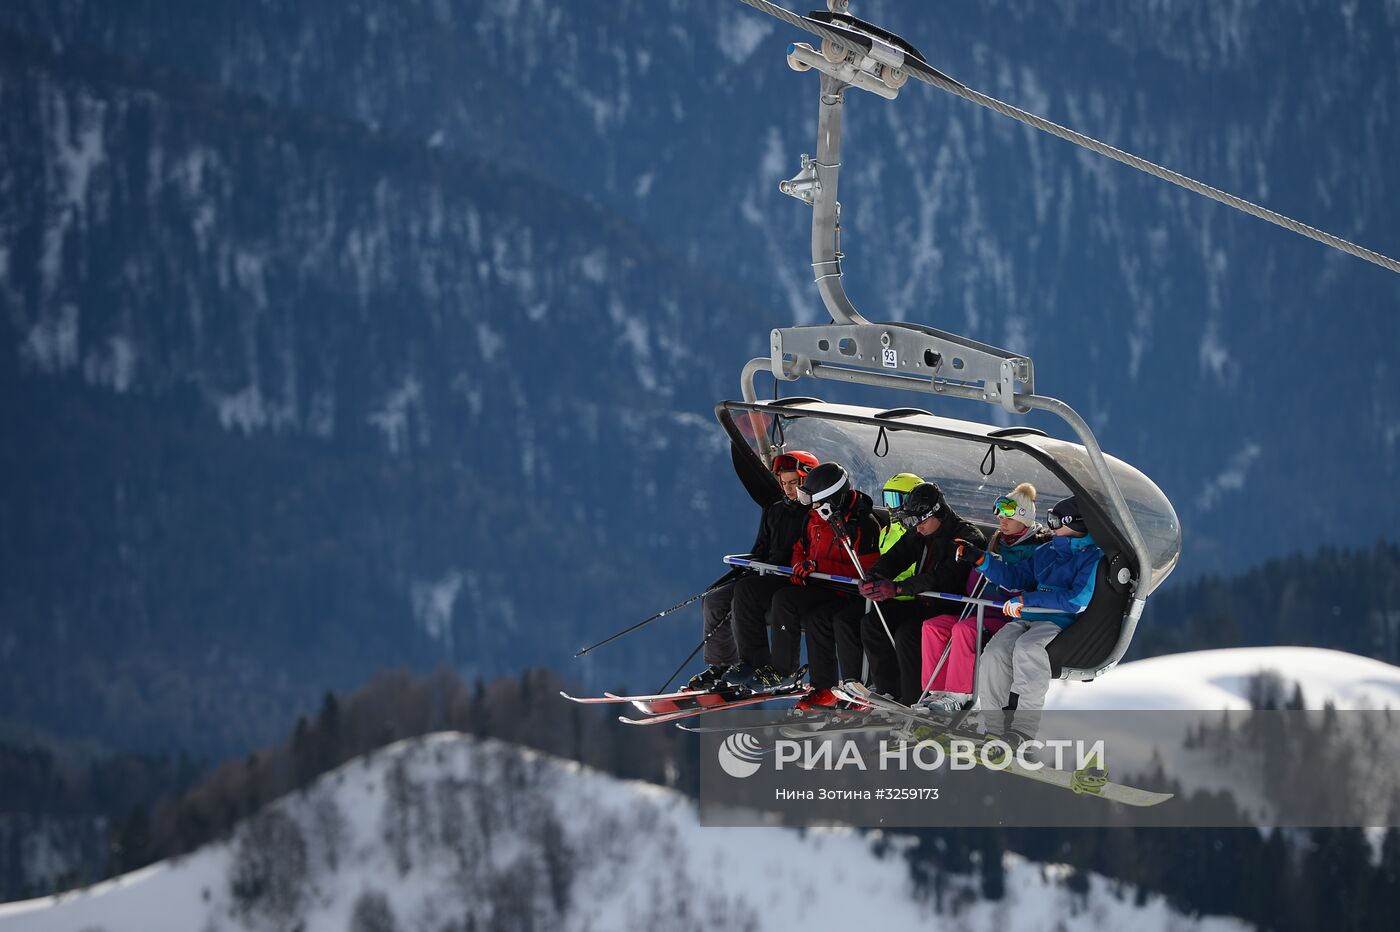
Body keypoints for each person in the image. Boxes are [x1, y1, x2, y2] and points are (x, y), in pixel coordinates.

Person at [956, 495, 1104, 743]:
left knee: (1028, 649)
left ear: (1076, 522)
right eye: (1050, 519)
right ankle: (993, 727)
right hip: (1027, 616)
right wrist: (982, 561)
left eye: (1056, 521)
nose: (1051, 526)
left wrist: (1028, 600)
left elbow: (1076, 599)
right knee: (994, 653)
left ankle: (1023, 730)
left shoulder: (1092, 557)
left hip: (1058, 621)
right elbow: (1017, 578)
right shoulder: (1047, 551)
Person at [726, 462, 880, 695]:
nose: (810, 506)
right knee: (747, 589)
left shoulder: (863, 525)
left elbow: (866, 571)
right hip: (815, 583)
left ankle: (784, 671)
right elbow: (800, 547)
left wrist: (818, 567)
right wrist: (800, 564)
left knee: (786, 600)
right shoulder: (814, 517)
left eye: (814, 501)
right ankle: (752, 663)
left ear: (831, 499)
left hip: (843, 591)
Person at [686, 450, 819, 690]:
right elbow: (762, 548)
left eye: (793, 483)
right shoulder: (775, 510)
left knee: (747, 592)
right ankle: (723, 665)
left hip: (793, 581)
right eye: (784, 483)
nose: (788, 489)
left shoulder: (815, 515)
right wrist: (748, 567)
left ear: (807, 481)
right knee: (715, 600)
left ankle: (756, 663)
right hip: (765, 575)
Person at [917, 482, 1052, 711]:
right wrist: (977, 566)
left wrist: (988, 567)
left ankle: (959, 695)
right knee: (933, 626)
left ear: (1024, 519)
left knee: (965, 630)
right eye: (1000, 517)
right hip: (980, 607)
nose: (1002, 522)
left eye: (1008, 518)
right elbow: (975, 585)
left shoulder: (1035, 550)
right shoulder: (998, 543)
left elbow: (1018, 583)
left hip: (1006, 616)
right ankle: (936, 691)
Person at [800, 472, 924, 710]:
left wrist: (895, 586)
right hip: (885, 595)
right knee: (846, 621)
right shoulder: (888, 530)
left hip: (906, 598)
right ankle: (854, 686)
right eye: (887, 499)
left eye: (896, 500)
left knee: (872, 626)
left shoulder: (917, 535)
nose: (890, 507)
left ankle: (885, 689)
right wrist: (873, 579)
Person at [855, 482, 986, 705]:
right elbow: (897, 556)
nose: (917, 528)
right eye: (912, 523)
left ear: (937, 513)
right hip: (924, 602)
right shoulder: (922, 532)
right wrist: (873, 576)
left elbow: (945, 577)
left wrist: (899, 588)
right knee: (873, 622)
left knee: (908, 634)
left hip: (952, 607)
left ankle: (912, 699)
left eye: (920, 522)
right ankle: (888, 691)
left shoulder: (968, 538)